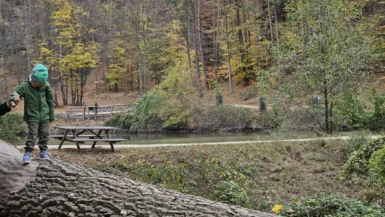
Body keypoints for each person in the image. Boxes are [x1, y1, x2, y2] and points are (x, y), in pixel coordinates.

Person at [14, 63, 54, 164]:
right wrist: (13, 99)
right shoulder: (25, 86)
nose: (41, 85)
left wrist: (51, 115)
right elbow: (15, 93)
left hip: (45, 114)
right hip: (32, 115)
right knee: (32, 134)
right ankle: (28, 152)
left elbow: (50, 101)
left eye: (42, 83)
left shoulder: (46, 85)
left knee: (45, 134)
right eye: (39, 83)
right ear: (33, 79)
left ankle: (43, 151)